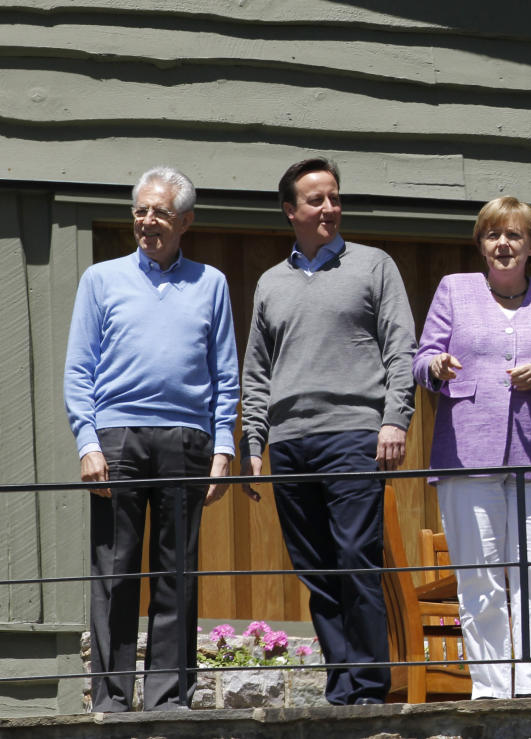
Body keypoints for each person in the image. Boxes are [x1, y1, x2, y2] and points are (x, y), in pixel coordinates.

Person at [240, 157, 416, 706]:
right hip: (290, 442)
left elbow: (400, 350)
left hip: (353, 435)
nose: (329, 208)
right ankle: (341, 685)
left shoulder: (373, 266)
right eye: (316, 200)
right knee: (316, 568)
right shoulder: (271, 283)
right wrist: (252, 441)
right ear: (290, 210)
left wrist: (394, 418)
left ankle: (368, 686)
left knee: (355, 556)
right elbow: (257, 371)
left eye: (335, 198)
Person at [63, 167, 240, 712]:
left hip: (188, 440)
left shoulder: (211, 283)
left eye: (160, 212)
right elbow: (78, 371)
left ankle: (168, 697)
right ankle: (111, 698)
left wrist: (224, 447)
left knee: (175, 572)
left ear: (185, 220)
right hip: (117, 439)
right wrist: (88, 443)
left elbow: (226, 374)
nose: (147, 221)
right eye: (140, 210)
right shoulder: (100, 279)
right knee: (115, 570)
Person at [413, 197, 531, 699]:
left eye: (514, 236)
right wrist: (437, 367)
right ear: (481, 244)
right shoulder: (454, 290)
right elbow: (421, 360)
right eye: (492, 235)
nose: (503, 244)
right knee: (479, 577)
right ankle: (489, 690)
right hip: (467, 453)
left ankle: (528, 689)